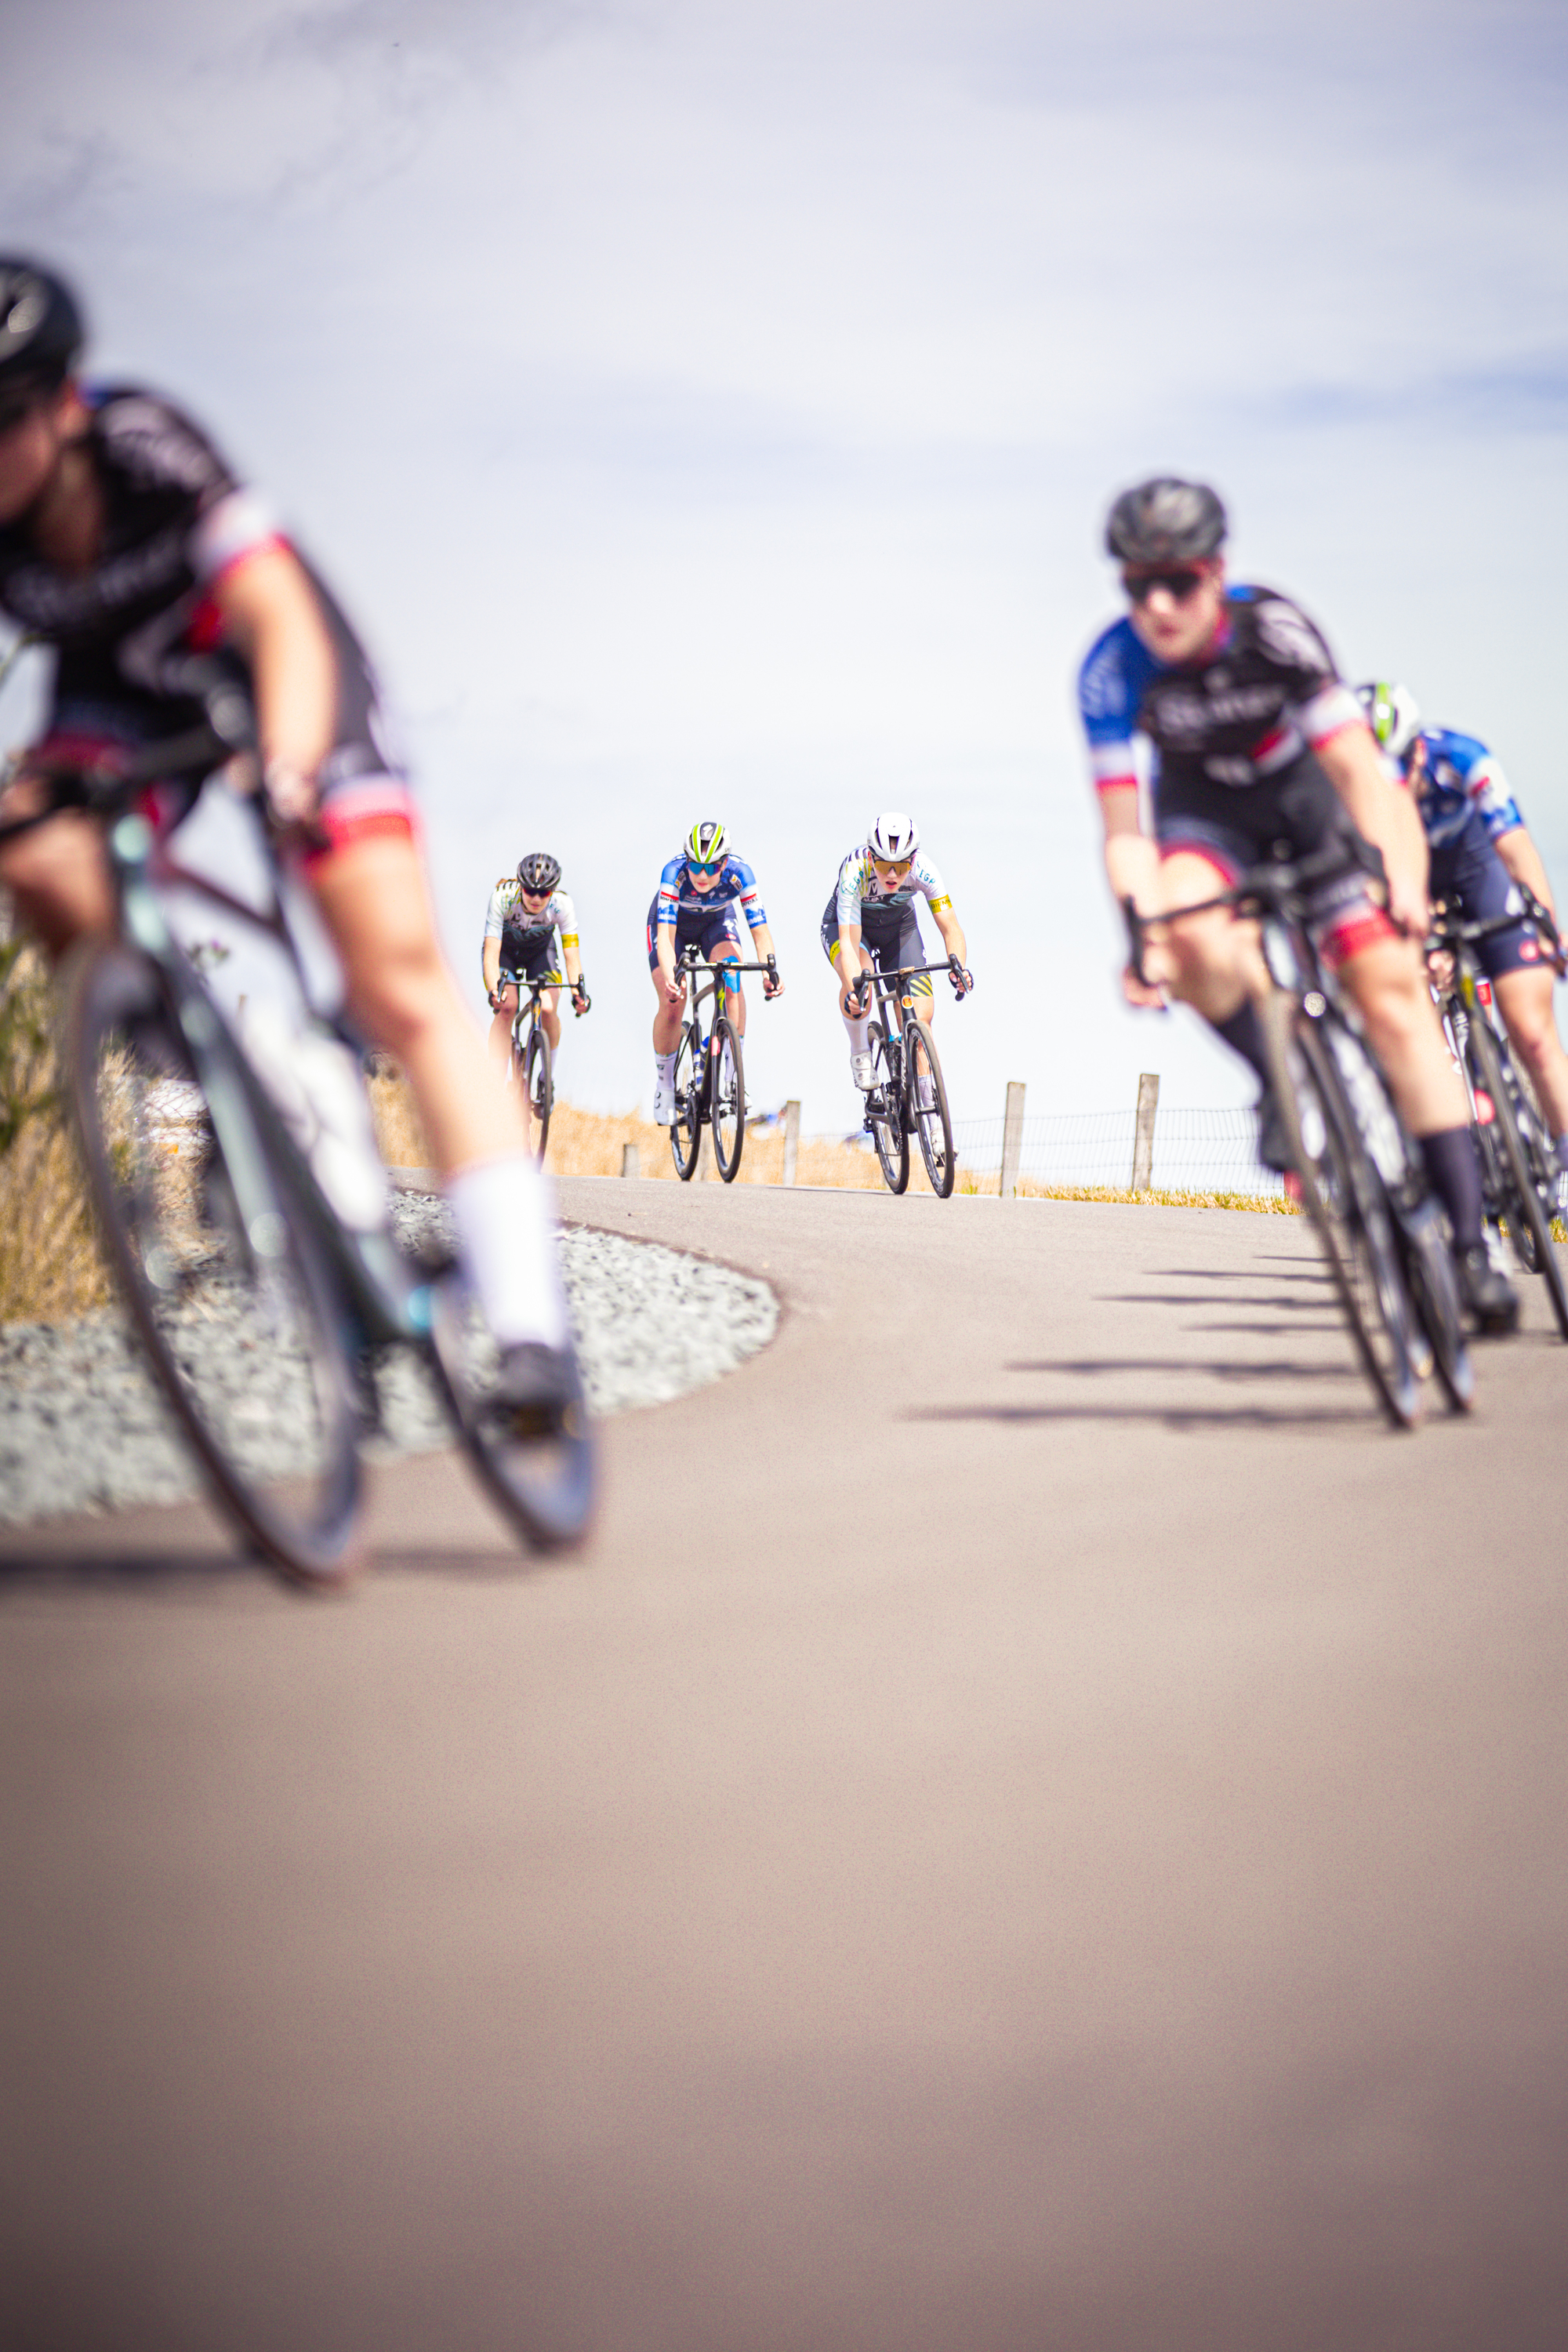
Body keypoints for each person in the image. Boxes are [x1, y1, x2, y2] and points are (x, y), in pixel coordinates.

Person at [0, 257, 581, 1411]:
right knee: (32, 843)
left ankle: (527, 1327)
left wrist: (291, 766)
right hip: (119, 693)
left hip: (272, 664)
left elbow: (277, 612)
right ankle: (216, 1080)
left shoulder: (148, 447)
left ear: (66, 405)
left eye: (6, 417)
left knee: (394, 975)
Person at [1078, 475, 1516, 1332]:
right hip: (1205, 816)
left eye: (1177, 582)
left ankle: (1469, 1248)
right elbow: (1125, 831)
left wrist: (1402, 885)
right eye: (1136, 585)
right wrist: (1141, 937)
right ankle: (1276, 1078)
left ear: (1217, 573)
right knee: (1185, 931)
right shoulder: (1108, 668)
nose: (1157, 605)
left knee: (1390, 996)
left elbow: (1360, 772)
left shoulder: (1274, 627)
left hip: (1305, 803)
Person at [1357, 683, 1568, 1189]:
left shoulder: (1465, 757)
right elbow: (1369, 889)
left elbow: (1515, 847)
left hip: (1478, 870)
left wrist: (1548, 928)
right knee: (1399, 996)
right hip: (1410, 882)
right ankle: (1448, 1125)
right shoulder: (1358, 792)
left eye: (1401, 767)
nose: (1395, 783)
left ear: (1419, 750)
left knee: (1532, 1029)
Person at [822, 813, 971, 1094]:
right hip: (854, 930)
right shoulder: (854, 871)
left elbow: (951, 927)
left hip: (898, 929)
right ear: (870, 857)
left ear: (913, 861)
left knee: (920, 1016)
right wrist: (857, 990)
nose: (893, 875)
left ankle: (930, 1116)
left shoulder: (926, 870)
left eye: (901, 866)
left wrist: (959, 968)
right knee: (860, 986)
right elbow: (850, 944)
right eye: (884, 865)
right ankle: (859, 1051)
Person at [648, 819, 782, 1123]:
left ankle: (733, 1080)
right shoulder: (674, 874)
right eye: (696, 866)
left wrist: (769, 972)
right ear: (687, 861)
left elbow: (760, 931)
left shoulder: (741, 874)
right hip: (675, 928)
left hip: (716, 924)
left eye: (712, 868)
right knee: (673, 1003)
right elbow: (666, 939)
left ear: (725, 863)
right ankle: (665, 1086)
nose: (703, 875)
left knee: (733, 979)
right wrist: (671, 976)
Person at [482, 850, 589, 1073]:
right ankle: (493, 1082)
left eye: (544, 892)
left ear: (553, 891)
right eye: (531, 891)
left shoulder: (563, 905)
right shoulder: (502, 898)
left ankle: (546, 1074)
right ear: (521, 887)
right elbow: (492, 952)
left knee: (548, 1009)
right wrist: (494, 990)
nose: (537, 899)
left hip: (540, 954)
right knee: (507, 1006)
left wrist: (579, 992)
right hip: (506, 954)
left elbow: (571, 956)